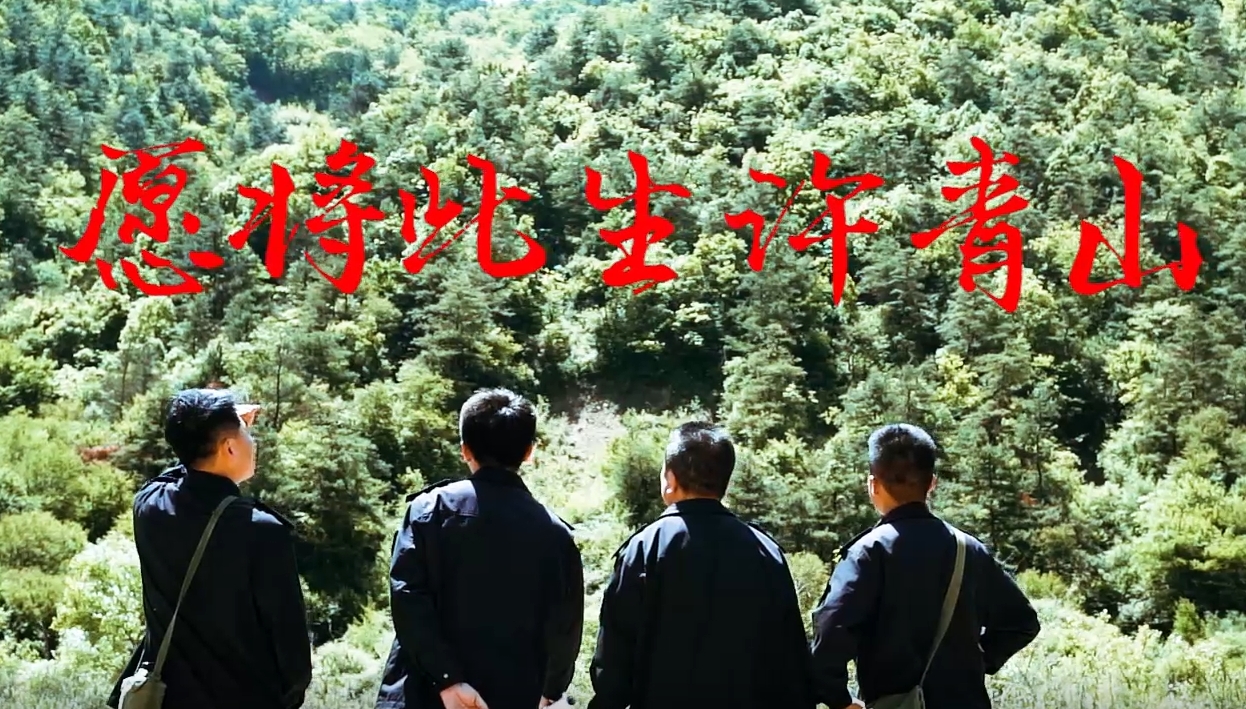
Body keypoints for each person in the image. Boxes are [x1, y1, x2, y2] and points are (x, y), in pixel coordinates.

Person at [377, 387, 584, 709]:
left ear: (464, 450)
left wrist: (448, 679)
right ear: (529, 451)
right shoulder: (555, 534)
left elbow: (408, 599)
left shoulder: (429, 511)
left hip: (424, 694)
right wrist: (551, 690)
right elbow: (565, 627)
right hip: (513, 696)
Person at [809, 423, 1041, 709]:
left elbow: (831, 631)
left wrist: (840, 699)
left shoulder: (868, 552)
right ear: (932, 483)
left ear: (873, 485)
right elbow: (1022, 622)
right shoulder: (970, 549)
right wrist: (978, 660)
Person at [107, 388, 312, 709]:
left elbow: (180, 469)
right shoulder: (263, 531)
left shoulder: (149, 506)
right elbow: (292, 650)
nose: (252, 440)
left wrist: (206, 433)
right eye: (246, 432)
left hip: (168, 700)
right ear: (229, 447)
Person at [587, 422, 815, 709]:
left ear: (670, 479)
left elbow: (614, 657)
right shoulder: (766, 552)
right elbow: (792, 660)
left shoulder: (644, 549)